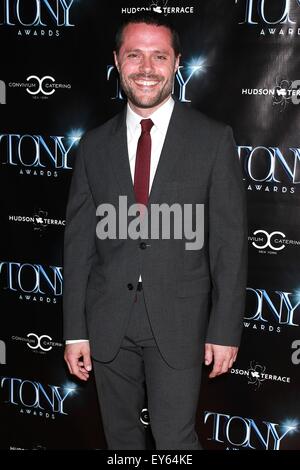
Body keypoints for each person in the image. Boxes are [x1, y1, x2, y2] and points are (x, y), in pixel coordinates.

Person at [63, 12, 247, 450]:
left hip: (180, 322)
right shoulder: (93, 145)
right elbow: (78, 244)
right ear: (116, 61)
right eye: (134, 55)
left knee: (175, 441)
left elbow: (229, 242)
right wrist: (75, 331)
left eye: (158, 56)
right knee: (121, 439)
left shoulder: (213, 139)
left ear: (177, 63)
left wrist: (224, 330)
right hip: (107, 321)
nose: (146, 68)